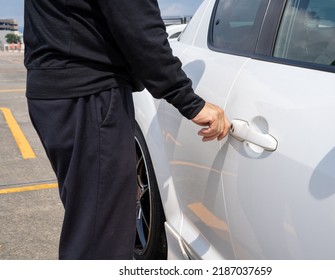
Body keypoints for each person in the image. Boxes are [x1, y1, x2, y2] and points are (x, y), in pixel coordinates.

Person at [24, 0, 230, 260]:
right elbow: (138, 28)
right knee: (99, 243)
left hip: (57, 92)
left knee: (90, 222)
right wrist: (189, 102)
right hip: (88, 95)